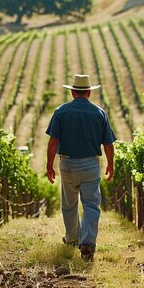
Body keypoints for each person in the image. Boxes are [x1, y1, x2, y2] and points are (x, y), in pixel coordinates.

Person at [45, 74, 115, 262]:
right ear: (89, 92)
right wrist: (111, 164)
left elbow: (53, 142)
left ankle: (72, 239)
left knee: (69, 204)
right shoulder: (99, 113)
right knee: (91, 205)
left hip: (66, 164)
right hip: (90, 165)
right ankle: (88, 242)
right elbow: (108, 143)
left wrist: (49, 166)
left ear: (73, 91)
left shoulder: (60, 111)